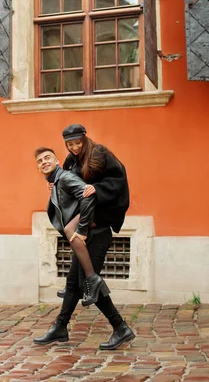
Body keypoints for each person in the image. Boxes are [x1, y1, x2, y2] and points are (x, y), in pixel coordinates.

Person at [33, 147, 135, 350]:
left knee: (90, 283)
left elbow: (88, 197)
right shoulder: (57, 181)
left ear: (57, 160)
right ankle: (60, 327)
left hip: (95, 235)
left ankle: (120, 327)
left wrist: (81, 230)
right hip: (86, 238)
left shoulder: (66, 177)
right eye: (39, 161)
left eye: (47, 158)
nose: (44, 162)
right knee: (73, 283)